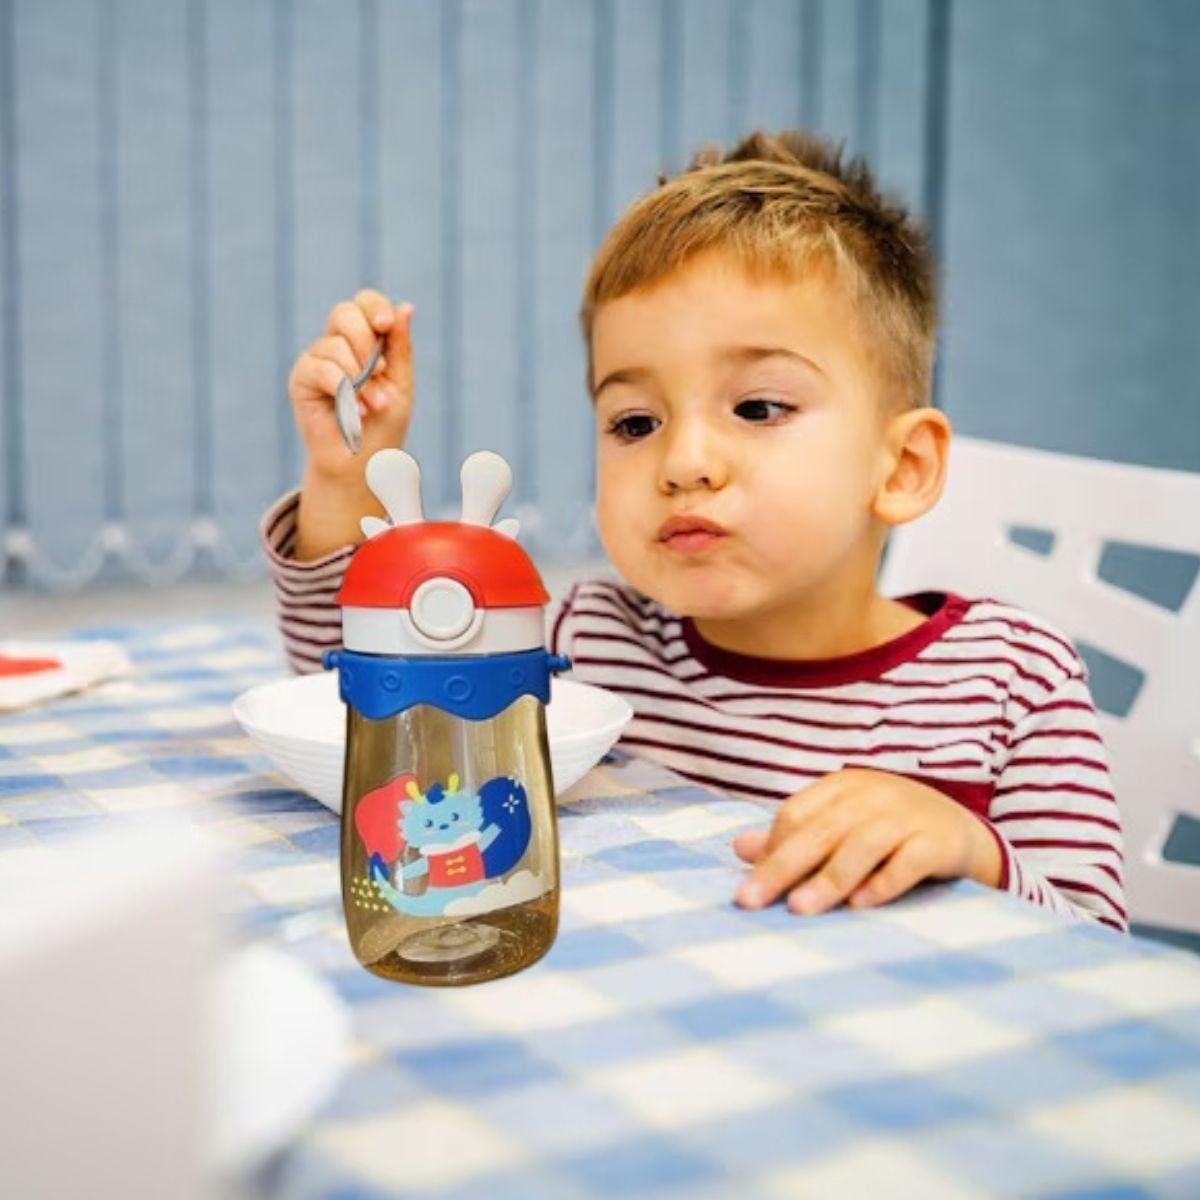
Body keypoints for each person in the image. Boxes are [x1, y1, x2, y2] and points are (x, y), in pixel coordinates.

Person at [261, 128, 1125, 931]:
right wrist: (343, 478)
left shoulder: (1009, 682)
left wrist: (972, 849)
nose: (683, 462)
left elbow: (1101, 947)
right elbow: (360, 702)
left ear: (900, 468)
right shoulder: (585, 640)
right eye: (634, 423)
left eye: (757, 406)